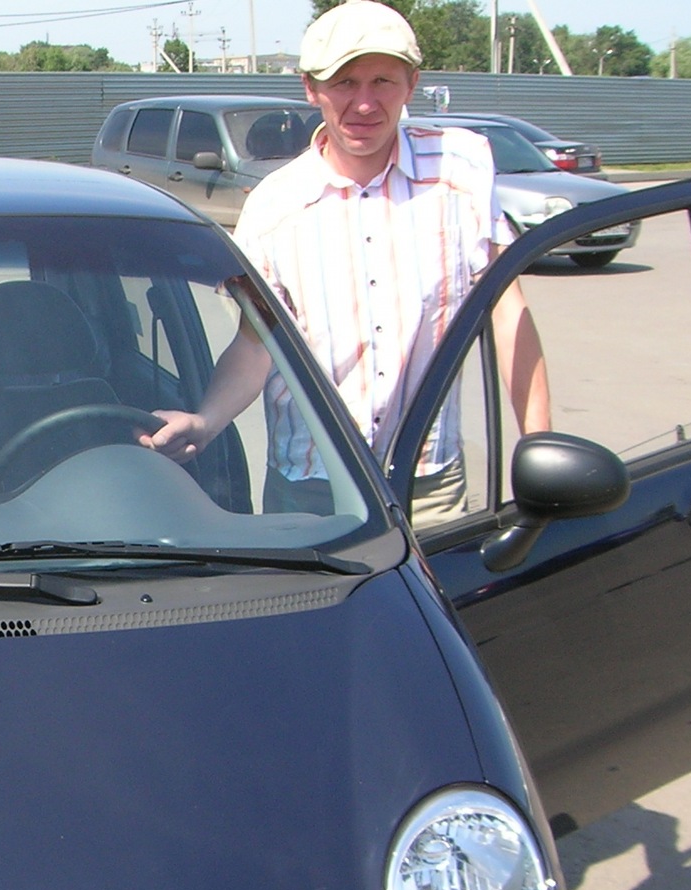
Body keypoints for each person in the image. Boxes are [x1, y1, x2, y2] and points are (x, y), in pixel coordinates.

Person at [146, 0, 550, 526]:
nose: (364, 103)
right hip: (312, 488)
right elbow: (258, 343)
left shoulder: (461, 170)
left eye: (383, 81)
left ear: (411, 84)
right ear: (311, 88)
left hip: (427, 482)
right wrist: (205, 421)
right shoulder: (275, 207)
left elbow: (506, 312)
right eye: (344, 83)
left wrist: (541, 449)